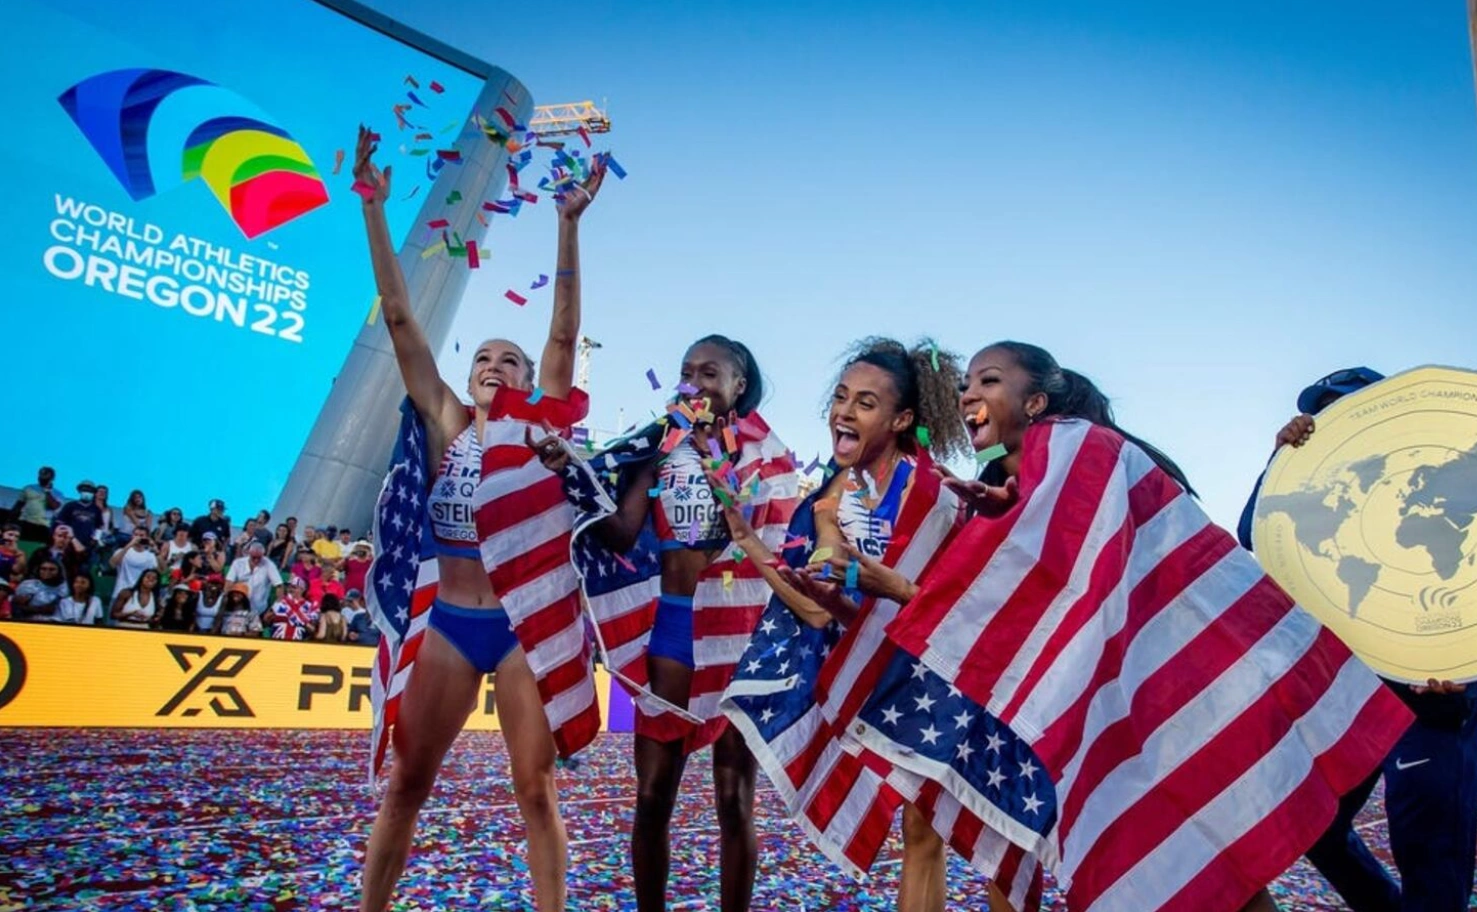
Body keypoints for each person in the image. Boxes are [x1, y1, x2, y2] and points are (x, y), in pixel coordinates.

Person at [831, 342, 1413, 912]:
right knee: (1205, 868)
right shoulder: (1041, 475)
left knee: (1198, 863)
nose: (968, 394)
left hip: (1165, 698)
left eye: (989, 380)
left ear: (1036, 403)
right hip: (1138, 703)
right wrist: (1005, 512)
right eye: (966, 384)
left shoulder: (1084, 451)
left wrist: (904, 588)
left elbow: (1055, 598)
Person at [352, 123, 607, 912]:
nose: (495, 366)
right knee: (408, 784)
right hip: (450, 625)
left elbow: (562, 330)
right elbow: (400, 319)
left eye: (511, 361)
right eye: (483, 359)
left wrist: (567, 224)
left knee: (535, 791)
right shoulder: (448, 424)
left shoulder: (540, 429)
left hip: (527, 628)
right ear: (467, 380)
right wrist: (372, 209)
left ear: (531, 381)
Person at [718, 338, 971, 912]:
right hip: (863, 667)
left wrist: (875, 586)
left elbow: (945, 608)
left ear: (901, 419)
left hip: (925, 674)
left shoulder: (936, 497)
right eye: (840, 397)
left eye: (865, 402)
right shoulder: (829, 497)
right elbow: (814, 609)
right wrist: (749, 541)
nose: (844, 412)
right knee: (916, 834)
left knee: (923, 833)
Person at [564, 333, 798, 912]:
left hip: (737, 640)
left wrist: (723, 473)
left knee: (734, 800)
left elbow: (768, 539)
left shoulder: (763, 461)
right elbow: (622, 533)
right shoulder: (660, 449)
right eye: (687, 372)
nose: (694, 383)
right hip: (671, 635)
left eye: (709, 373)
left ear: (739, 386)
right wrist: (571, 476)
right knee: (651, 797)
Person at [1239, 366, 1477, 912]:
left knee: (1429, 852)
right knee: (1317, 823)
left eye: (1346, 409)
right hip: (1355, 687)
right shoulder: (1326, 503)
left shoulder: (1438, 475)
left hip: (1433, 689)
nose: (1328, 421)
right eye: (1322, 414)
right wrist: (1279, 463)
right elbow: (1253, 532)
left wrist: (1469, 658)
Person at [225, 541, 285, 617]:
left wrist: (275, 606)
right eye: (253, 557)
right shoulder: (238, 563)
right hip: (238, 607)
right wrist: (226, 600)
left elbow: (279, 585)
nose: (256, 560)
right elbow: (229, 582)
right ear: (248, 554)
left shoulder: (269, 564)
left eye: (259, 558)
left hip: (259, 609)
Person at [12, 466, 64, 542]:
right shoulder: (29, 488)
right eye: (41, 475)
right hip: (25, 522)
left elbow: (54, 506)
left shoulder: (58, 493)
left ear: (52, 478)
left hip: (43, 525)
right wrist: (11, 520)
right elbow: (19, 505)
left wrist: (47, 491)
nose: (43, 478)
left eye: (46, 476)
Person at [110, 527, 161, 600]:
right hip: (120, 592)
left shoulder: (150, 556)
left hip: (138, 596)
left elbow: (160, 571)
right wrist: (130, 544)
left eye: (141, 535)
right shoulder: (121, 551)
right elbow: (112, 564)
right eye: (136, 535)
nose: (138, 537)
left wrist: (156, 550)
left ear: (147, 538)